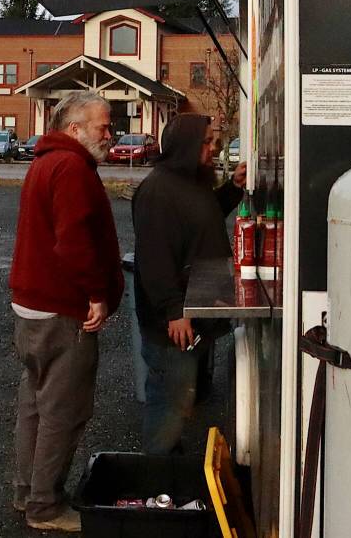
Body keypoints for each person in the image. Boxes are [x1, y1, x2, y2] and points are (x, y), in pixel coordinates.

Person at [8, 91, 124, 533]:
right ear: (74, 129)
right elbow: (73, 242)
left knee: (34, 405)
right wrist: (97, 293)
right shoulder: (72, 167)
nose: (110, 136)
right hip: (62, 308)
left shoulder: (43, 162)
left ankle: (27, 492)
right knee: (63, 411)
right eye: (104, 126)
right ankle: (45, 506)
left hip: (31, 304)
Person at [133, 114, 246, 454]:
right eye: (208, 142)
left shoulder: (190, 182)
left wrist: (233, 188)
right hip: (172, 324)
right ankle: (156, 478)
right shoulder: (158, 191)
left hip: (194, 310)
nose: (214, 148)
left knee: (183, 397)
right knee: (170, 400)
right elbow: (155, 260)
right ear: (187, 146)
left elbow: (204, 215)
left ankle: (169, 461)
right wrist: (174, 312)